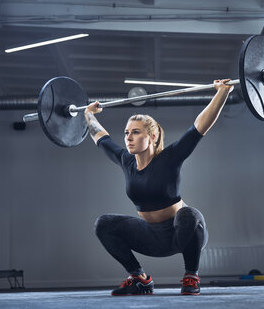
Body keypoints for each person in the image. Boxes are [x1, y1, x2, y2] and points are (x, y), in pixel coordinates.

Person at [84, 79, 234, 296]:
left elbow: (199, 127)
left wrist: (222, 92)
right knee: (104, 224)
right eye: (127, 133)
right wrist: (88, 115)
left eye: (135, 132)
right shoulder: (126, 161)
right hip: (150, 237)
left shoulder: (169, 158)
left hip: (182, 232)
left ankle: (191, 276)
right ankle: (140, 279)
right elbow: (101, 137)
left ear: (152, 137)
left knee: (189, 214)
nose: (128, 138)